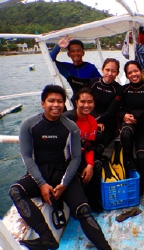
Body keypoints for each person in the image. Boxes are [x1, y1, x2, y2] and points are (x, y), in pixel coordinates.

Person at [9, 84, 111, 250]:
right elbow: (27, 156)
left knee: (83, 210)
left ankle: (105, 247)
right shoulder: (29, 124)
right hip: (39, 171)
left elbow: (77, 157)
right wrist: (41, 183)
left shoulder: (71, 127)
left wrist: (64, 184)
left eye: (60, 101)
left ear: (64, 104)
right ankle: (46, 236)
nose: (56, 105)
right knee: (15, 191)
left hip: (64, 171)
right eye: (51, 101)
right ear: (43, 103)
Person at [119, 60, 144, 195]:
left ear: (141, 72)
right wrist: (123, 116)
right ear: (127, 75)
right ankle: (129, 160)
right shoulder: (124, 90)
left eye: (136, 71)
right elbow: (117, 108)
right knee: (125, 134)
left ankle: (140, 182)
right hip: (129, 123)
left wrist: (140, 117)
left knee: (142, 156)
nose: (133, 74)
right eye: (130, 72)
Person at [63, 87, 103, 212]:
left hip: (79, 156)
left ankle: (92, 200)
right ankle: (76, 203)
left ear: (94, 104)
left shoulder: (92, 122)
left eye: (90, 102)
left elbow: (89, 146)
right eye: (83, 101)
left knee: (97, 165)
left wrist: (90, 165)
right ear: (76, 102)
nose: (86, 105)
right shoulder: (66, 119)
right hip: (63, 158)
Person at [89, 58, 122, 169]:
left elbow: (110, 111)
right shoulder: (93, 83)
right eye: (107, 70)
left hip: (109, 121)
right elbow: (88, 104)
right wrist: (94, 121)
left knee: (101, 139)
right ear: (102, 70)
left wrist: (98, 120)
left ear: (117, 73)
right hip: (91, 116)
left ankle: (96, 162)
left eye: (113, 71)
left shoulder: (118, 89)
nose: (110, 73)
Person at [50, 35, 101, 101]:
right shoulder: (66, 68)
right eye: (73, 51)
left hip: (90, 101)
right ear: (69, 54)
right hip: (75, 102)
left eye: (78, 51)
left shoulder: (91, 68)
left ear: (83, 53)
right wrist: (58, 46)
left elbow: (101, 83)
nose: (76, 53)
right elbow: (50, 59)